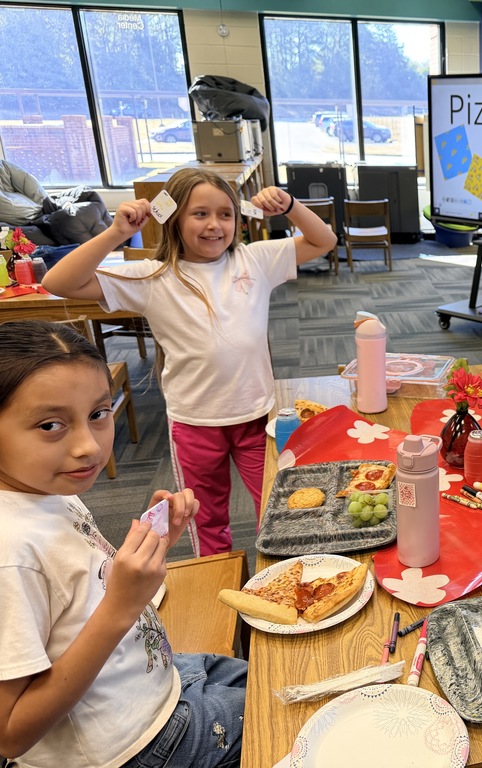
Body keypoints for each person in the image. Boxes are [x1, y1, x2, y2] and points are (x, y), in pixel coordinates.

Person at [43, 168, 337, 556]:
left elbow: (324, 240)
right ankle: (222, 588)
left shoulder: (254, 260)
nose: (214, 225)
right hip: (196, 421)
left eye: (225, 214)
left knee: (277, 506)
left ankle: (283, 581)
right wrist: (116, 232)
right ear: (174, 219)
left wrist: (291, 206)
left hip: (257, 416)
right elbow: (58, 282)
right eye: (200, 214)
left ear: (238, 220)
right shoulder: (153, 275)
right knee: (206, 519)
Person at [0, 320, 246, 768]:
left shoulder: (42, 488)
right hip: (137, 745)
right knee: (296, 711)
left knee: (277, 667)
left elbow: (75, 586)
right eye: (51, 424)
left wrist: (152, 543)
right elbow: (11, 733)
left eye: (98, 413)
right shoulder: (11, 555)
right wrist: (121, 608)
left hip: (153, 679)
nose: (88, 447)